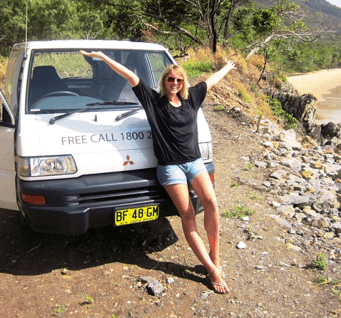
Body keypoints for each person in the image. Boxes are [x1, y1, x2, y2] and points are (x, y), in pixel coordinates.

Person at [80, 50, 236, 294]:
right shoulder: (153, 101)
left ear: (183, 83)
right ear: (164, 81)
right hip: (170, 168)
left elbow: (212, 81)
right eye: (170, 79)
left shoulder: (192, 98)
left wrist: (228, 67)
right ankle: (212, 269)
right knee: (188, 215)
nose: (174, 83)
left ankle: (215, 256)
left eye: (179, 80)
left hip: (194, 163)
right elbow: (130, 75)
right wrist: (101, 56)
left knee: (212, 204)